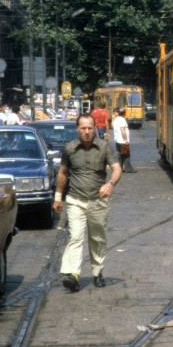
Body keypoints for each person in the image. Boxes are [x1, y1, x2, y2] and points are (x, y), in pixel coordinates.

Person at [53, 114, 122, 292]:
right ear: (77, 129)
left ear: (95, 128)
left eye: (90, 128)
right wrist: (58, 197)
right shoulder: (69, 149)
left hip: (98, 201)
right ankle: (72, 275)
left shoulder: (104, 147)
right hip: (75, 200)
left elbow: (116, 168)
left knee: (97, 238)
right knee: (75, 236)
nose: (86, 132)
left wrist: (110, 184)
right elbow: (63, 173)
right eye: (83, 128)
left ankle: (97, 272)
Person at [112, 107, 135, 173]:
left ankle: (120, 168)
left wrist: (113, 118)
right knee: (126, 155)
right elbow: (123, 130)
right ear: (124, 114)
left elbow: (113, 126)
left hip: (117, 140)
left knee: (120, 155)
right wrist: (125, 139)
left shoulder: (116, 119)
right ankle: (128, 168)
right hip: (122, 140)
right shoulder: (122, 120)